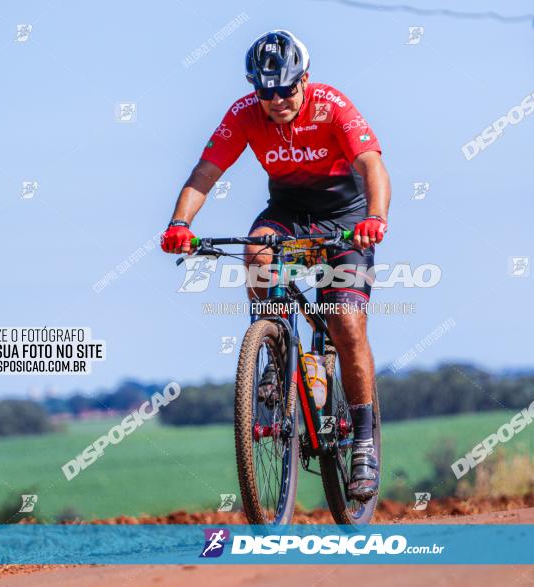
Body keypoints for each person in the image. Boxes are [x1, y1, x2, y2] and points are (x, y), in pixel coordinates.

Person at [160, 30, 391, 501]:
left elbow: (371, 164)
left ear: (305, 79)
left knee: (346, 323)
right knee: (256, 251)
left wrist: (374, 218)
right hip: (287, 213)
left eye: (287, 89)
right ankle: (275, 350)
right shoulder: (245, 115)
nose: (277, 100)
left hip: (345, 220)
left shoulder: (332, 106)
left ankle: (363, 440)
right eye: (266, 91)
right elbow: (206, 172)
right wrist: (179, 223)